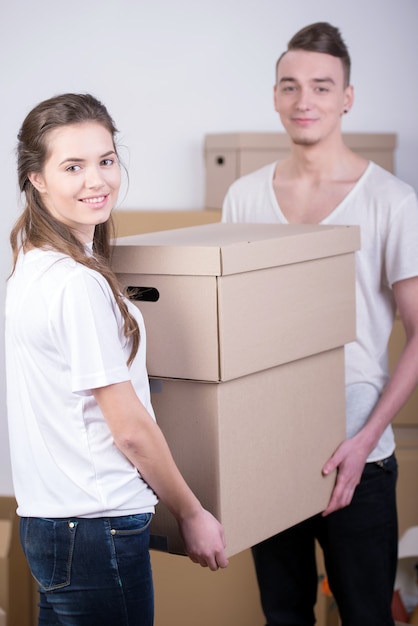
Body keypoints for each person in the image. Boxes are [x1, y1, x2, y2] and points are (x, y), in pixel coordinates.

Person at [5, 93, 228, 626]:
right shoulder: (77, 286)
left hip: (50, 523)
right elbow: (128, 427)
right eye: (73, 166)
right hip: (97, 525)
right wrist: (191, 513)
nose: (96, 180)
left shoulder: (30, 266)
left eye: (106, 160)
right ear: (36, 178)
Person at [222, 22, 418, 626]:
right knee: (283, 617)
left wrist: (364, 442)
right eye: (290, 86)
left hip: (357, 455)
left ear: (347, 98)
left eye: (322, 87)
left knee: (365, 616)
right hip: (268, 455)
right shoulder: (243, 197)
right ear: (275, 96)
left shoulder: (392, 202)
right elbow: (231, 327)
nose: (304, 100)